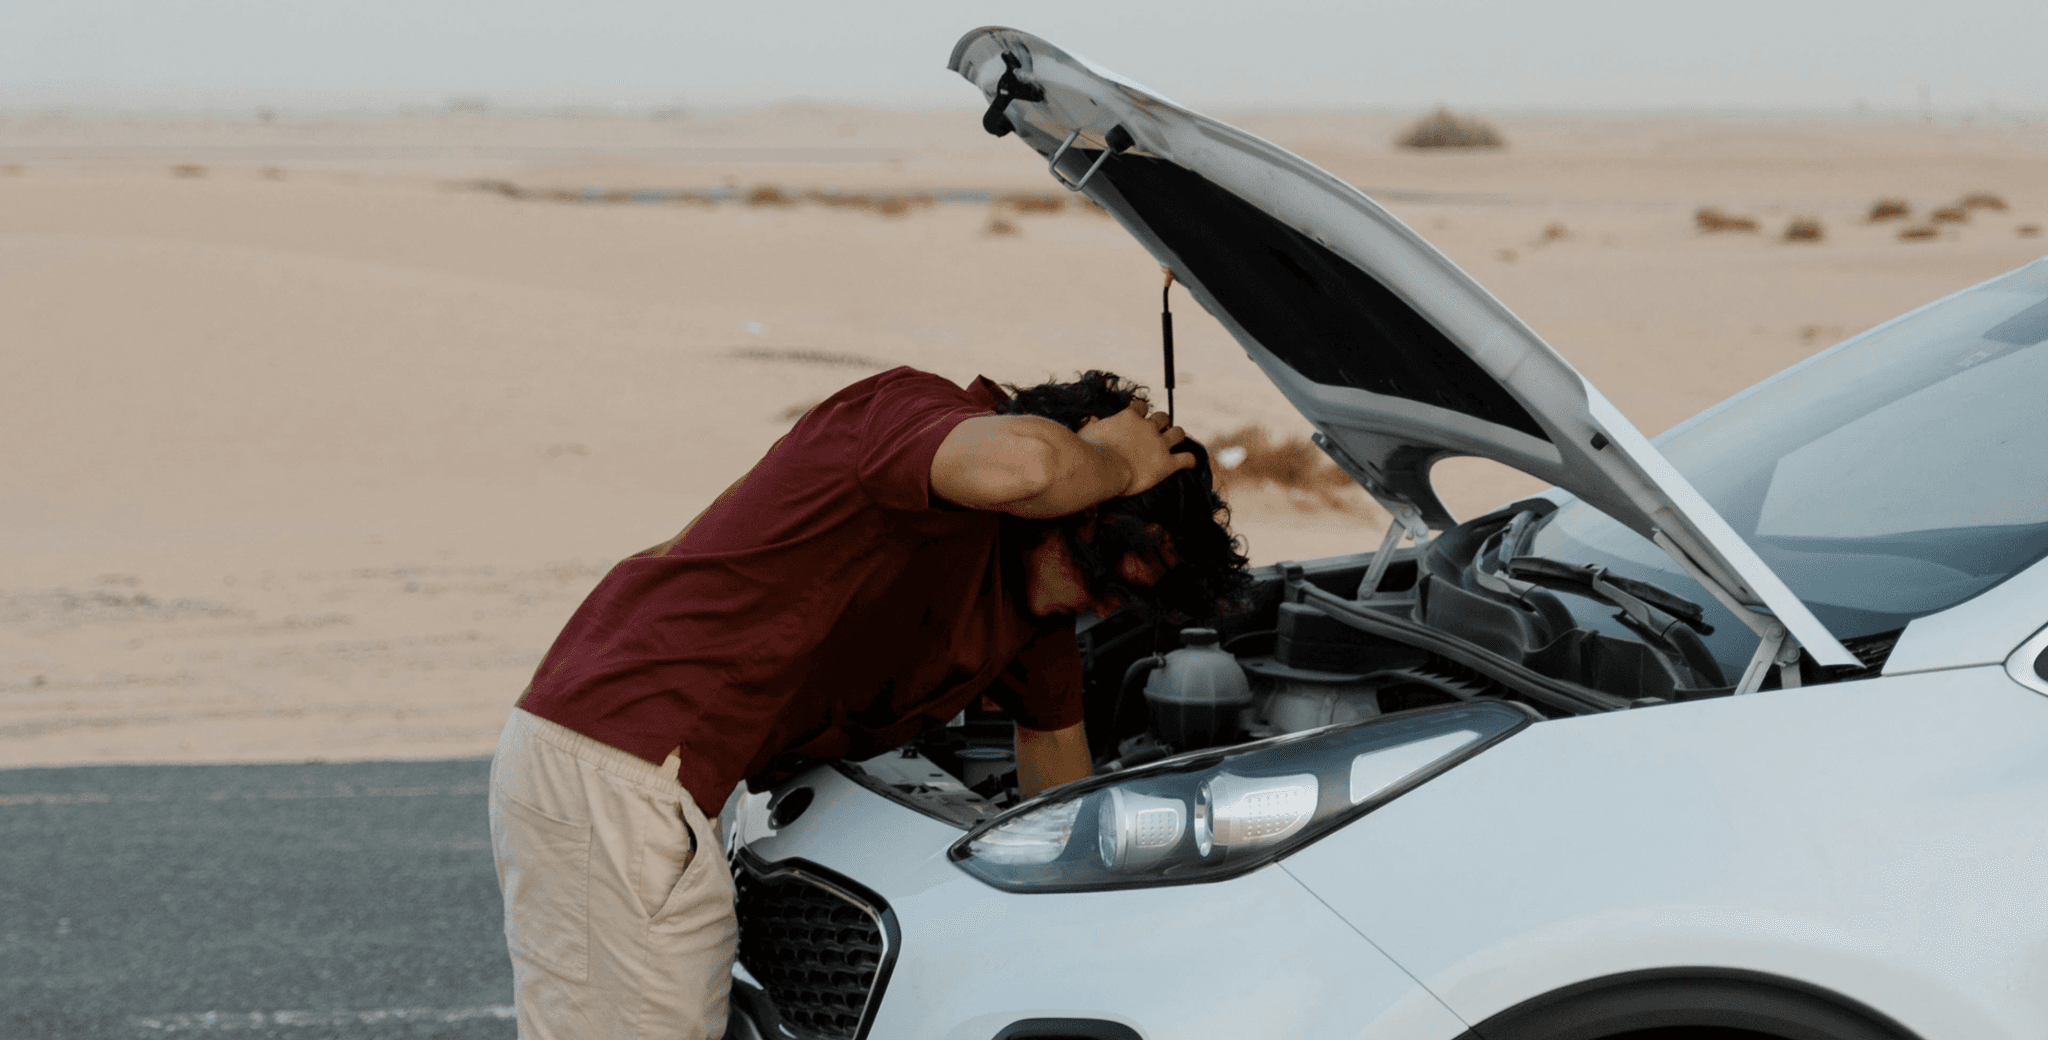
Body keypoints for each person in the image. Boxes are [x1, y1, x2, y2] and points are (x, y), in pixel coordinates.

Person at [487, 365, 1249, 1039]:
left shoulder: (1028, 612)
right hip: (623, 763)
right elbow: (1023, 466)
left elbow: (1060, 777)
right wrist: (1118, 462)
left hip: (669, 783)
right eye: (1106, 577)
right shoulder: (903, 413)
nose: (1105, 609)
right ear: (1079, 497)